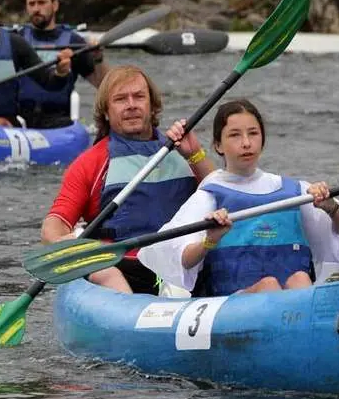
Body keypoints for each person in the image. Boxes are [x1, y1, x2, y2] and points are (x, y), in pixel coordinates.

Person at [138, 98, 339, 296]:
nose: (246, 143)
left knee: (300, 278)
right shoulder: (210, 195)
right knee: (268, 285)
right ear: (218, 145)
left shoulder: (293, 192)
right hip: (233, 303)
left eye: (253, 133)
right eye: (235, 135)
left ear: (262, 140)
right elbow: (183, 259)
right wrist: (210, 240)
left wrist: (331, 207)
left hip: (291, 302)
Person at [41, 65, 215, 295]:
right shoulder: (91, 163)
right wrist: (66, 245)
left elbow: (222, 196)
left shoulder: (183, 151)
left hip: (184, 263)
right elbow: (55, 224)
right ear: (106, 111)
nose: (131, 105)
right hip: (124, 268)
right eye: (121, 99)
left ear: (152, 106)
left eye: (139, 97)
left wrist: (195, 154)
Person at [17, 0, 109, 129]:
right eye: (31, 4)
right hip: (21, 119)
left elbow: (104, 84)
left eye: (41, 2)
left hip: (59, 120)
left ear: (55, 5)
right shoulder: (17, 39)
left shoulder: (73, 41)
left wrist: (98, 58)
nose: (36, 9)